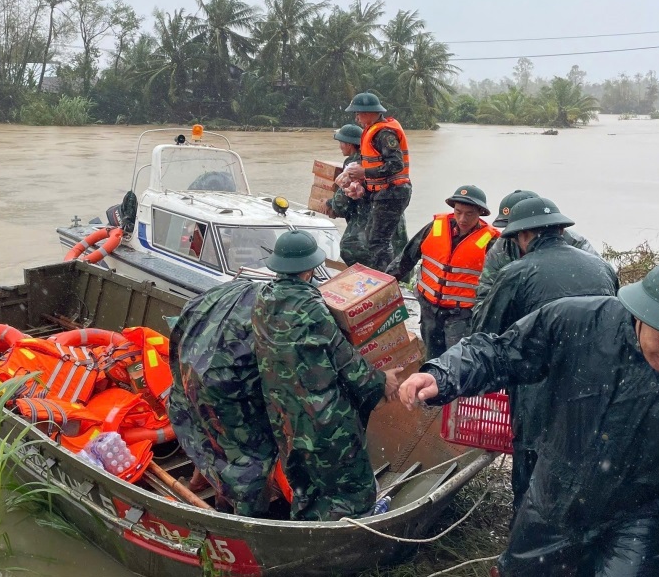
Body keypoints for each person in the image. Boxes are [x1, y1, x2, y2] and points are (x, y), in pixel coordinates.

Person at [399, 260, 659, 577]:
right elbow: (501, 352)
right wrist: (444, 375)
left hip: (640, 517)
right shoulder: (577, 321)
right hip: (553, 497)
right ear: (642, 315)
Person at [469, 196, 619, 510]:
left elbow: (484, 334)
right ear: (560, 230)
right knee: (582, 464)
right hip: (596, 388)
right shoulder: (603, 268)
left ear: (524, 236)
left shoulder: (516, 272)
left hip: (538, 390)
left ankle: (524, 539)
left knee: (532, 465)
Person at [251, 229, 400, 521]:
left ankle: (305, 528)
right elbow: (349, 365)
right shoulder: (313, 309)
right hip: (325, 420)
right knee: (355, 489)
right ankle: (353, 533)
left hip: (284, 418)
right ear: (308, 269)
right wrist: (384, 382)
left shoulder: (262, 301)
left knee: (305, 486)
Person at [166, 279, 279, 516]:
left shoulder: (220, 295)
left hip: (188, 395)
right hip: (222, 399)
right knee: (251, 465)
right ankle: (243, 521)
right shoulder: (275, 315)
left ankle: (203, 487)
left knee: (209, 444)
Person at [387, 185, 500, 359]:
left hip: (461, 316)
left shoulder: (491, 242)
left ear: (480, 213)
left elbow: (499, 283)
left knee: (456, 361)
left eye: (469, 214)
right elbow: (407, 258)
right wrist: (385, 282)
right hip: (429, 309)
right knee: (432, 357)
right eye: (458, 211)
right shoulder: (436, 227)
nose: (462, 218)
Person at [477, 188, 601, 304]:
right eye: (509, 229)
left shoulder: (576, 243)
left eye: (519, 230)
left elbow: (599, 280)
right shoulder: (501, 249)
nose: (514, 237)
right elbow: (485, 294)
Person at [339, 92, 412, 271]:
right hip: (383, 192)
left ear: (370, 112)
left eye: (358, 113)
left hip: (393, 192)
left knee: (379, 241)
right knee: (374, 239)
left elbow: (395, 164)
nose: (356, 117)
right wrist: (362, 186)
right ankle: (383, 277)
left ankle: (385, 280)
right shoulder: (371, 131)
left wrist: (365, 172)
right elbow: (376, 164)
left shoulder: (384, 133)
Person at [326, 123, 408, 267]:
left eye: (341, 143)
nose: (340, 147)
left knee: (351, 251)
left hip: (369, 229)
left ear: (349, 145)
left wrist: (329, 204)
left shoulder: (353, 166)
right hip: (395, 227)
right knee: (396, 264)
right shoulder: (378, 159)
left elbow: (341, 205)